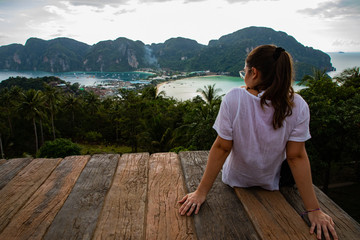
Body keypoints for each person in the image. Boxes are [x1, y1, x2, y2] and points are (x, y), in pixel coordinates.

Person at [178, 45, 338, 240]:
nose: (243, 74)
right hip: (271, 183)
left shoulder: (234, 98)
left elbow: (222, 147)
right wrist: (314, 210)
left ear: (253, 72)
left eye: (244, 70)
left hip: (235, 179)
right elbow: (296, 157)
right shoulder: (298, 105)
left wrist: (201, 193)